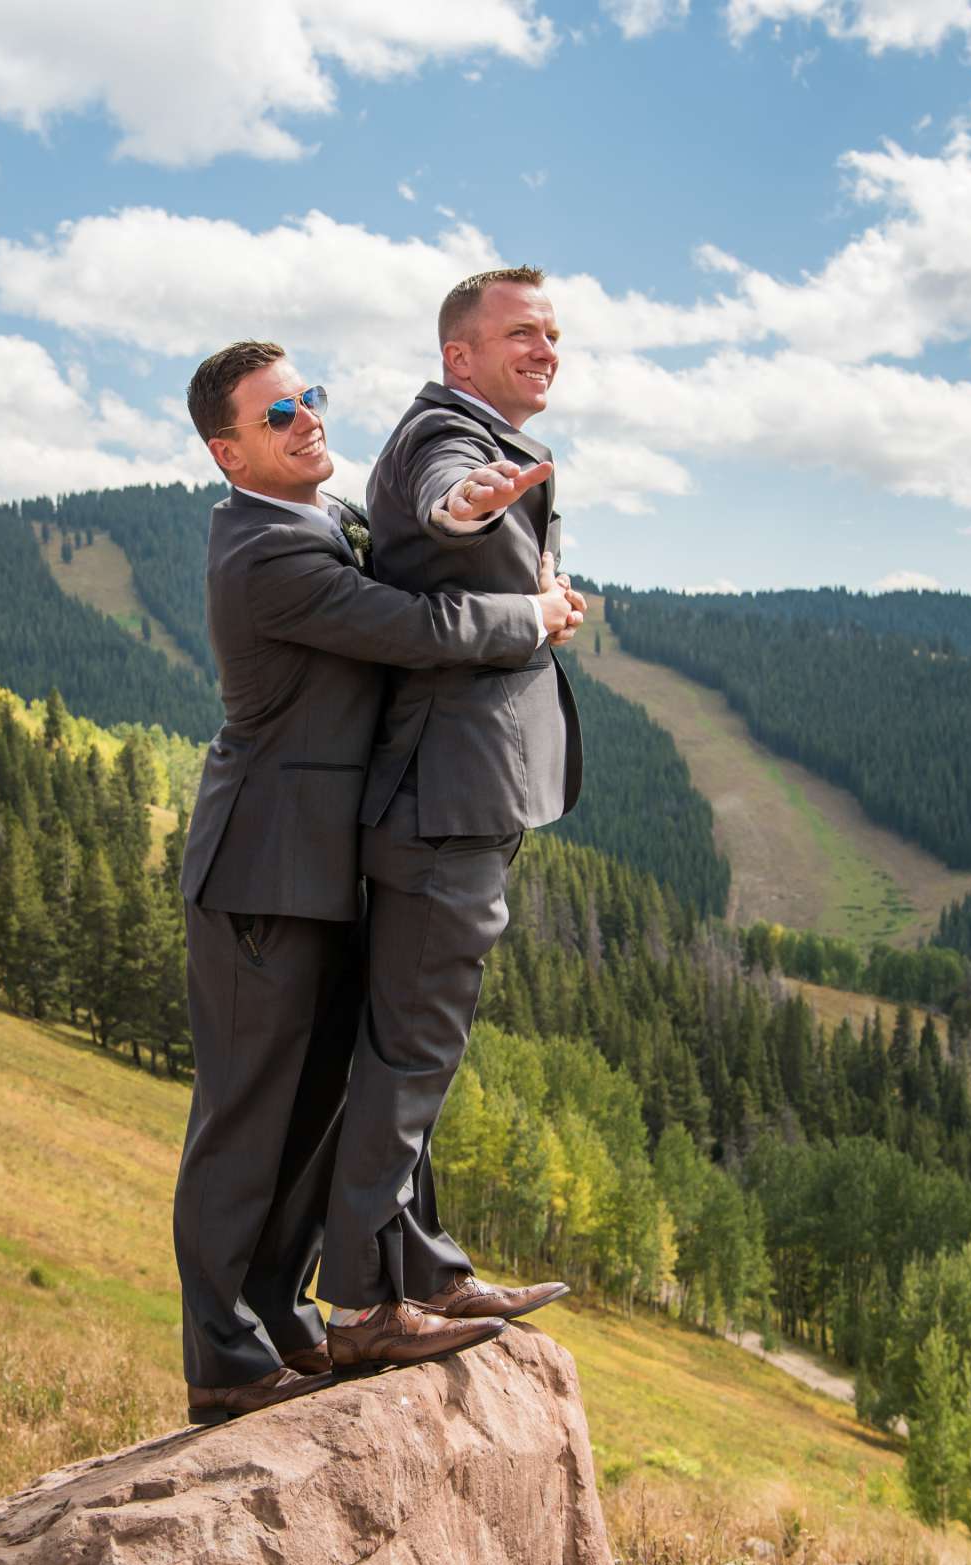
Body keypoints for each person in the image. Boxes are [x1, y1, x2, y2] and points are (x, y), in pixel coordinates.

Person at [171, 339, 585, 1426]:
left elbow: (417, 554)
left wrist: (492, 543)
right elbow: (412, 628)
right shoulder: (265, 551)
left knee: (314, 1113)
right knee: (247, 1121)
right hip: (263, 869)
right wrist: (529, 619)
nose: (307, 417)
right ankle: (222, 1357)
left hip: (323, 867)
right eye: (277, 415)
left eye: (310, 397)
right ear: (228, 452)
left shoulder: (320, 520)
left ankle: (287, 1327)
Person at [318, 267, 584, 1362]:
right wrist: (464, 508)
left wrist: (535, 583)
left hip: (450, 795)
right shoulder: (447, 438)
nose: (546, 348)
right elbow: (444, 493)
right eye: (520, 333)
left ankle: (423, 1270)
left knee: (417, 1046)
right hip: (443, 799)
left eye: (554, 334)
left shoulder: (472, 431)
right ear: (459, 356)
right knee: (410, 1052)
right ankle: (363, 1304)